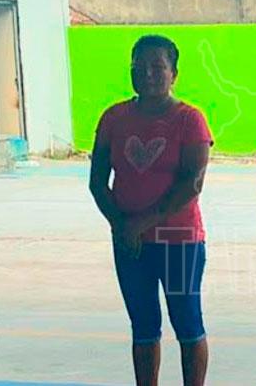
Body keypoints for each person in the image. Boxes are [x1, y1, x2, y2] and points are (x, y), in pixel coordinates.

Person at [89, 35, 213, 386]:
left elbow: (192, 183)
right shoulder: (113, 117)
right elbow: (97, 181)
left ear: (174, 73)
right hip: (130, 242)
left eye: (157, 67)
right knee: (143, 326)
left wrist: (141, 223)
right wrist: (121, 225)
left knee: (187, 322)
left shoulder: (190, 119)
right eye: (138, 67)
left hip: (180, 242)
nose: (147, 74)